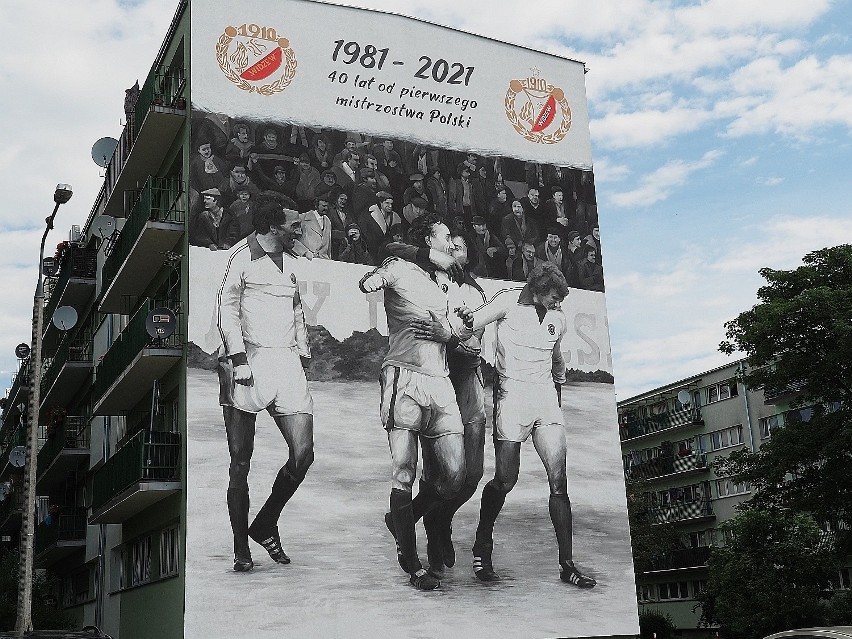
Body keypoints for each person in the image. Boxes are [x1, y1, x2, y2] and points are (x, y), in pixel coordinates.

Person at [457, 262, 597, 588]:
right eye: (552, 297)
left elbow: (556, 358)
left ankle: (567, 565)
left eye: (560, 299)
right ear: (535, 290)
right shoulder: (505, 302)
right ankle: (482, 544)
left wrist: (557, 388)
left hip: (546, 401)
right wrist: (463, 322)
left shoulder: (557, 319)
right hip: (511, 400)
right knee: (506, 480)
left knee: (559, 483)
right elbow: (470, 323)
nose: (558, 304)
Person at [358, 213, 467, 591]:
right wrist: (382, 274)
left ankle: (402, 519)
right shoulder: (401, 268)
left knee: (456, 474)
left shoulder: (448, 282)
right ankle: (413, 563)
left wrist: (448, 332)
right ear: (427, 239)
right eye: (446, 234)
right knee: (404, 470)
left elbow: (457, 330)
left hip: (441, 382)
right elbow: (367, 283)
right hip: (404, 376)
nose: (452, 241)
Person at [214, 195, 315, 572]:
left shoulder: (291, 262)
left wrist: (303, 350)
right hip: (248, 364)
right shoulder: (241, 257)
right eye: (294, 225)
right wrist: (239, 360)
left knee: (303, 455)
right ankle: (242, 549)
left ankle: (265, 522)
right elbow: (226, 310)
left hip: (285, 362)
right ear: (273, 226)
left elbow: (296, 307)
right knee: (240, 463)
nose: (300, 230)